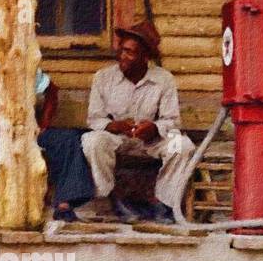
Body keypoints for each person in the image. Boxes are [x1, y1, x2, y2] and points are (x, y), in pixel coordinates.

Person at [0, 23, 96, 222]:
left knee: (68, 138)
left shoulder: (24, 72)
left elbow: (52, 92)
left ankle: (64, 204)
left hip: (27, 134)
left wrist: (43, 124)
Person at [81, 20, 195, 222]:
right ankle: (110, 200)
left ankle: (164, 205)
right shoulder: (103, 77)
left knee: (182, 145)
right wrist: (114, 126)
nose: (122, 57)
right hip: (117, 139)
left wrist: (154, 127)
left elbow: (172, 120)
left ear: (145, 57)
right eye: (121, 50)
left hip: (151, 142)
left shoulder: (164, 79)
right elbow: (94, 119)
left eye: (130, 53)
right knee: (92, 140)